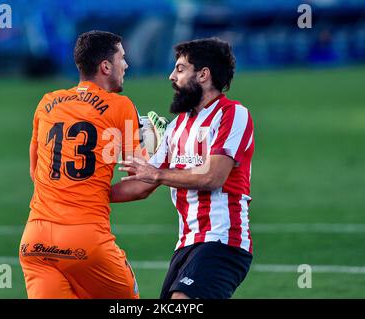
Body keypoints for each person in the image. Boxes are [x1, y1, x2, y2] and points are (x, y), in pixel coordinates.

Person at [111, 37, 255, 299]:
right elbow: (142, 186)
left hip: (223, 241)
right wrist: (85, 194)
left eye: (179, 69)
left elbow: (213, 176)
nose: (170, 77)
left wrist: (157, 173)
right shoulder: (177, 127)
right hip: (186, 245)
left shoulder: (233, 114)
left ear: (203, 75)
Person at [19, 30, 148, 299]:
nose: (126, 64)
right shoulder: (120, 106)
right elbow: (141, 185)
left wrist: (77, 190)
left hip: (35, 242)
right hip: (86, 242)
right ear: (105, 66)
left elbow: (36, 172)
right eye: (122, 58)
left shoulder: (47, 103)